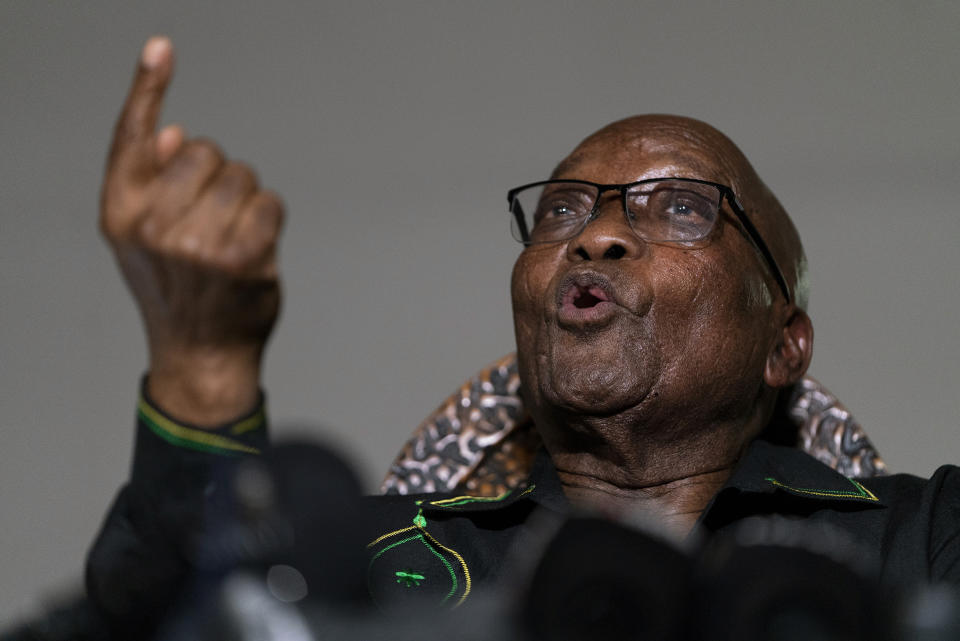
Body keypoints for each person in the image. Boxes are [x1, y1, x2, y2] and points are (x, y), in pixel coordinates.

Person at [9, 35, 958, 641]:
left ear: (783, 346)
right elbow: (151, 618)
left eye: (679, 206)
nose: (595, 231)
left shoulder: (924, 538)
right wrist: (202, 364)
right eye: (560, 211)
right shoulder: (360, 564)